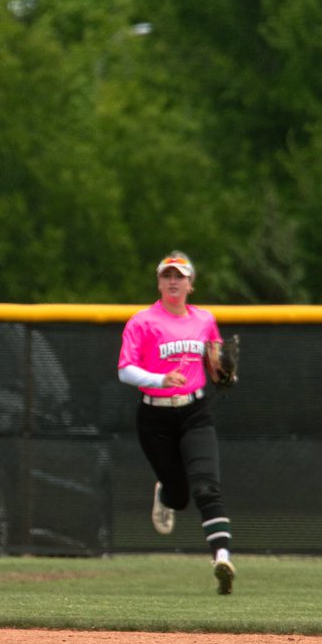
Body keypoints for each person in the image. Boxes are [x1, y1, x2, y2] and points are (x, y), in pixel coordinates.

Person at [117, 251, 236, 595]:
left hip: (195, 412)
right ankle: (165, 494)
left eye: (179, 276)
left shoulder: (204, 320)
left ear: (190, 283)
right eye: (167, 275)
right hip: (154, 417)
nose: (173, 281)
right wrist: (158, 379)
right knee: (180, 496)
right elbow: (125, 369)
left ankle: (222, 558)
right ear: (159, 282)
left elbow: (215, 361)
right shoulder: (142, 321)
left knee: (206, 487)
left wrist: (221, 371)